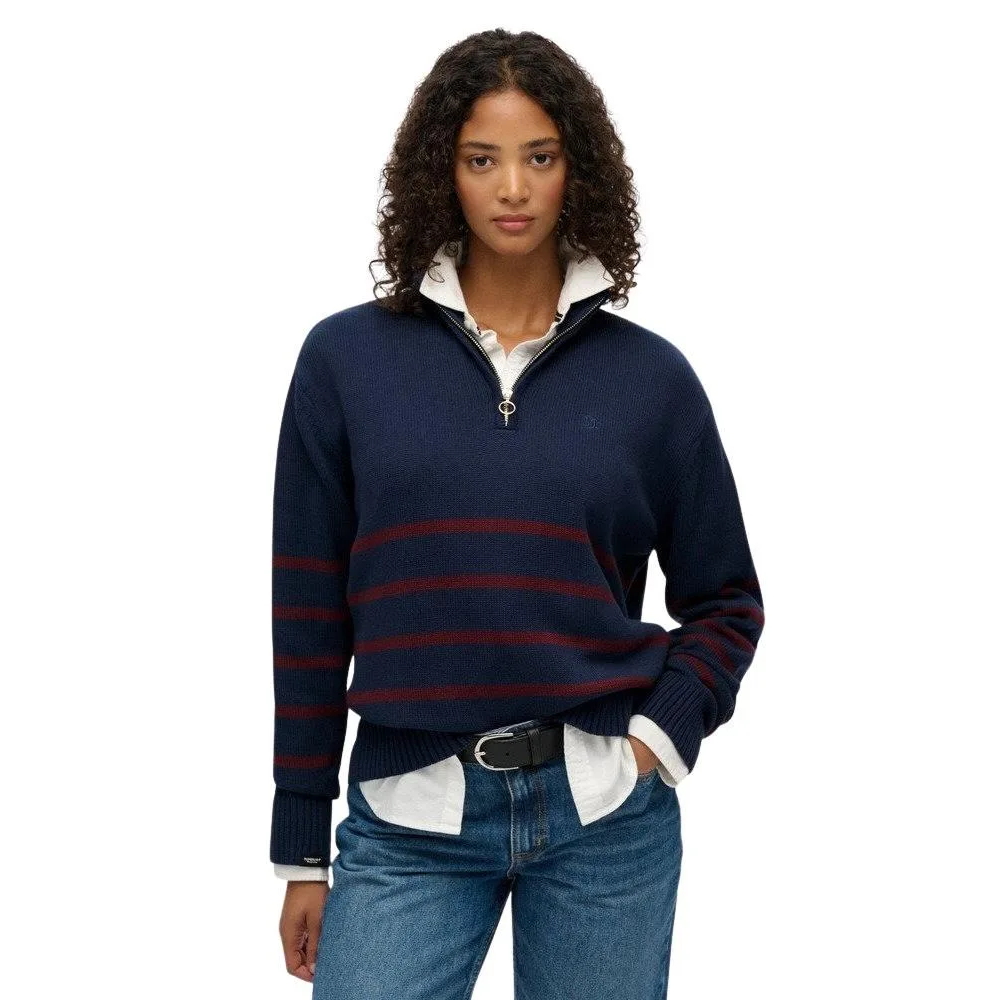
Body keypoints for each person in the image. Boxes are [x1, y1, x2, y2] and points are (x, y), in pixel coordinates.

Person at [271, 28, 764, 999]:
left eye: (539, 157)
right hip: (409, 817)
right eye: (481, 159)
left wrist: (655, 741)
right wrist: (301, 847)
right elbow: (308, 611)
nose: (512, 188)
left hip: (605, 817)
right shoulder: (345, 363)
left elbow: (727, 600)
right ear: (440, 173)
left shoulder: (650, 379)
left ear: (577, 171)